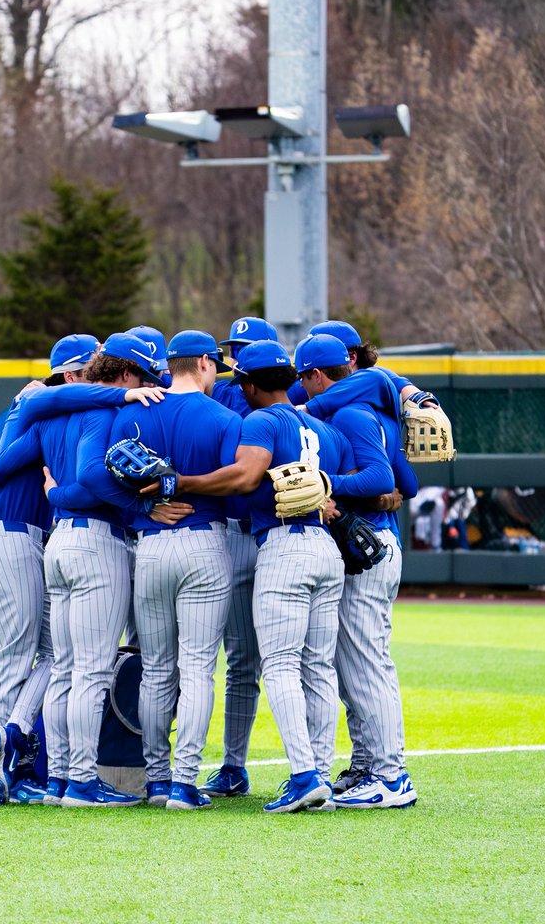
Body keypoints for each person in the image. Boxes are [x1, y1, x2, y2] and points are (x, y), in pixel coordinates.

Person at [0, 331, 184, 808]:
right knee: (72, 665)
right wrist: (138, 506)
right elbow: (89, 473)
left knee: (60, 663)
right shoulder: (45, 401)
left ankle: (47, 771)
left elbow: (4, 462)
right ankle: (63, 774)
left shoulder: (50, 415)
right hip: (44, 536)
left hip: (50, 543)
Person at [173, 339, 349, 813]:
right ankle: (322, 774)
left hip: (284, 548)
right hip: (325, 550)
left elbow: (246, 478)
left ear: (249, 384)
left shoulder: (261, 419)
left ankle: (304, 775)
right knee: (318, 667)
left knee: (281, 666)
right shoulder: (321, 428)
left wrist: (182, 483)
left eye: (242, 382)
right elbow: (345, 483)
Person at [0, 332, 100, 804]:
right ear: (68, 372)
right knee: (18, 653)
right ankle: (6, 764)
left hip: (25, 538)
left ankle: (13, 734)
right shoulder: (38, 398)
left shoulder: (53, 410)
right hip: (8, 536)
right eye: (88, 369)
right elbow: (7, 459)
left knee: (54, 651)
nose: (92, 378)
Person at [108, 330, 240, 810]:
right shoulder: (223, 416)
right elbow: (237, 488)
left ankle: (158, 780)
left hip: (152, 547)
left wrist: (143, 513)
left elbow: (103, 479)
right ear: (205, 363)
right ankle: (185, 783)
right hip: (205, 543)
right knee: (198, 669)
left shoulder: (132, 411)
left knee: (157, 669)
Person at [295, 333, 418, 809]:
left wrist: (327, 482)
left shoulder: (347, 412)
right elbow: (406, 482)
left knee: (367, 664)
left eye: (304, 378)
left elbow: (384, 481)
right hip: (377, 542)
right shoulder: (379, 411)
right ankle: (369, 764)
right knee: (358, 664)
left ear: (317, 376)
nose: (302, 388)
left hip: (367, 547)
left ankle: (391, 775)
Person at [199, 315, 278, 800]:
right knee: (233, 659)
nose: (236, 356)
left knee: (277, 660)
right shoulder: (227, 392)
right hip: (229, 533)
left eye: (245, 349)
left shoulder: (292, 399)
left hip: (273, 537)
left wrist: (407, 388)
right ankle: (232, 766)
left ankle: (316, 766)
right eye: (233, 348)